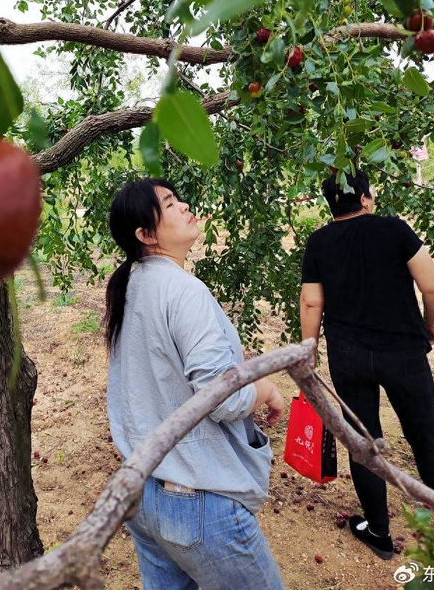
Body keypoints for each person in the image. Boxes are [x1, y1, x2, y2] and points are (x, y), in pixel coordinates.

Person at [105, 177, 285, 590]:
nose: (184, 205)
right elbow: (222, 399)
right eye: (170, 204)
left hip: (143, 494)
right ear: (146, 235)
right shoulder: (183, 291)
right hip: (195, 499)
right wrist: (267, 388)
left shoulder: (130, 286)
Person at [300, 168, 434, 561]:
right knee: (425, 436)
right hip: (403, 352)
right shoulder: (395, 230)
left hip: (348, 356)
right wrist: (431, 325)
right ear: (366, 198)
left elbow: (312, 302)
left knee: (363, 441)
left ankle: (379, 532)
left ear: (331, 204)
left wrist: (309, 351)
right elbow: (433, 287)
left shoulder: (319, 242)